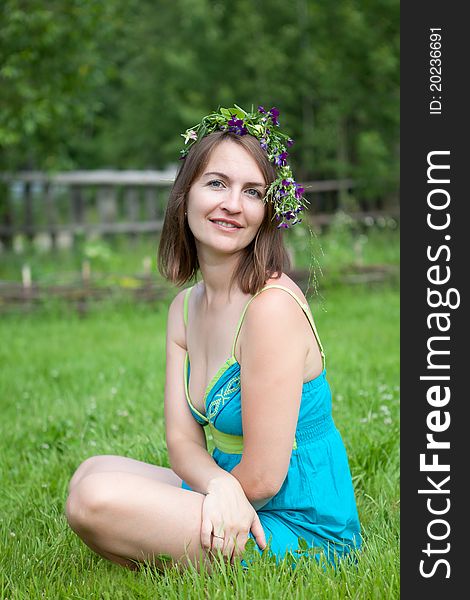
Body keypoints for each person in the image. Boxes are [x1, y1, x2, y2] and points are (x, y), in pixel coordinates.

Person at [65, 106, 361, 570]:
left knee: (94, 498)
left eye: (252, 192)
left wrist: (227, 494)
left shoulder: (271, 308)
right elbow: (182, 443)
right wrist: (220, 487)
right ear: (186, 195)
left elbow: (263, 476)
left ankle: (205, 549)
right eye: (217, 183)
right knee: (93, 471)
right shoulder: (184, 309)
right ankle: (184, 546)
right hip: (234, 494)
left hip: (299, 525)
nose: (233, 204)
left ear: (266, 213)